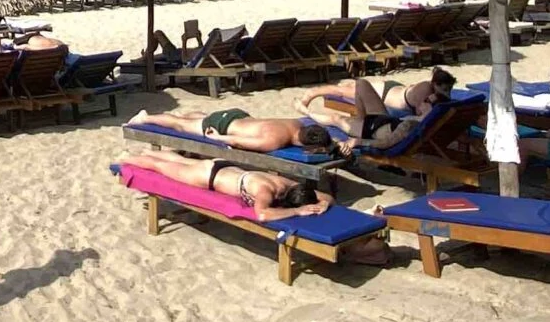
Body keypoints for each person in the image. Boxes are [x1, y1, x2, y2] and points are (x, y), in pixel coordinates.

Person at [117, 149, 334, 219]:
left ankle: (145, 150)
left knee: (178, 160)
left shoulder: (288, 183)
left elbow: (327, 196)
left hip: (221, 167)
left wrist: (323, 204)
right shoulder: (265, 191)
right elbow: (263, 214)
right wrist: (297, 212)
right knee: (159, 166)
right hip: (206, 178)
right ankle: (125, 159)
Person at [301, 66, 456, 136]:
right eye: (445, 89)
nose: (447, 93)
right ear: (435, 84)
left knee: (349, 87)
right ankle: (312, 92)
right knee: (343, 90)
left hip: (395, 92)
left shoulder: (434, 90)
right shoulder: (425, 89)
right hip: (385, 94)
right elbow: (419, 111)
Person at [127, 107, 340, 155]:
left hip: (238, 116)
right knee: (179, 125)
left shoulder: (298, 123)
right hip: (223, 125)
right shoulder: (274, 140)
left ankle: (190, 114)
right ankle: (146, 117)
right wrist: (218, 138)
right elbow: (238, 142)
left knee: (193, 119)